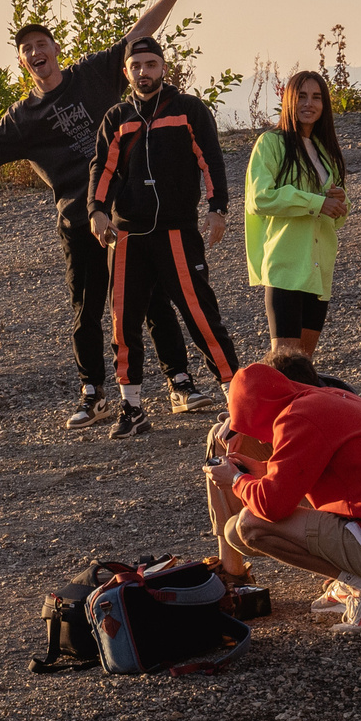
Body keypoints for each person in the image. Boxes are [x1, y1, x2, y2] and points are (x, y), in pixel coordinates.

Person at [0, 0, 203, 428]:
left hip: (127, 212)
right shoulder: (23, 117)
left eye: (43, 44)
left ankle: (180, 383)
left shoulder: (94, 76)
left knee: (150, 300)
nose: (37, 53)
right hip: (79, 222)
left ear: (56, 50)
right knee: (87, 310)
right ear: (23, 63)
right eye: (27, 50)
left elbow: (140, 33)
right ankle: (93, 394)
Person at [204, 360, 361, 637]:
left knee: (249, 525)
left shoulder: (296, 418)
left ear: (257, 412)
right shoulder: (328, 398)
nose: (261, 441)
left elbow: (271, 507)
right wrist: (260, 472)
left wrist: (236, 480)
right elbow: (322, 470)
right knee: (234, 531)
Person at [86, 37, 243, 439]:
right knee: (124, 322)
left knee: (201, 314)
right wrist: (97, 211)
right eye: (136, 65)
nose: (144, 72)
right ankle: (132, 407)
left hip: (176, 230)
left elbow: (210, 158)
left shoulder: (188, 109)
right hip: (128, 236)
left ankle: (239, 401)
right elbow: (102, 169)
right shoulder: (116, 117)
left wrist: (217, 208)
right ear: (127, 72)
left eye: (151, 64)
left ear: (163, 68)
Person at [245, 70, 351, 359]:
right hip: (286, 267)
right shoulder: (271, 143)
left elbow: (335, 217)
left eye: (316, 97)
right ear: (288, 100)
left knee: (304, 362)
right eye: (301, 96)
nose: (309, 103)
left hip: (318, 271)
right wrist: (316, 202)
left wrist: (340, 203)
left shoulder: (324, 150)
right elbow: (260, 198)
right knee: (285, 360)